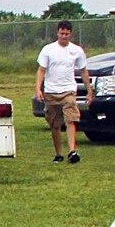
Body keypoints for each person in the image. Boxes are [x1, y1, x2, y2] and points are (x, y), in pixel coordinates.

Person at [34, 22, 90, 163]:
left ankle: (72, 151)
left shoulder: (76, 50)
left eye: (66, 34)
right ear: (58, 33)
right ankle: (59, 153)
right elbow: (41, 70)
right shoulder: (48, 49)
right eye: (61, 33)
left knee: (71, 119)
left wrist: (89, 90)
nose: (64, 36)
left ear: (70, 34)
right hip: (51, 91)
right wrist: (38, 88)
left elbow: (83, 71)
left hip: (68, 90)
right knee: (55, 124)